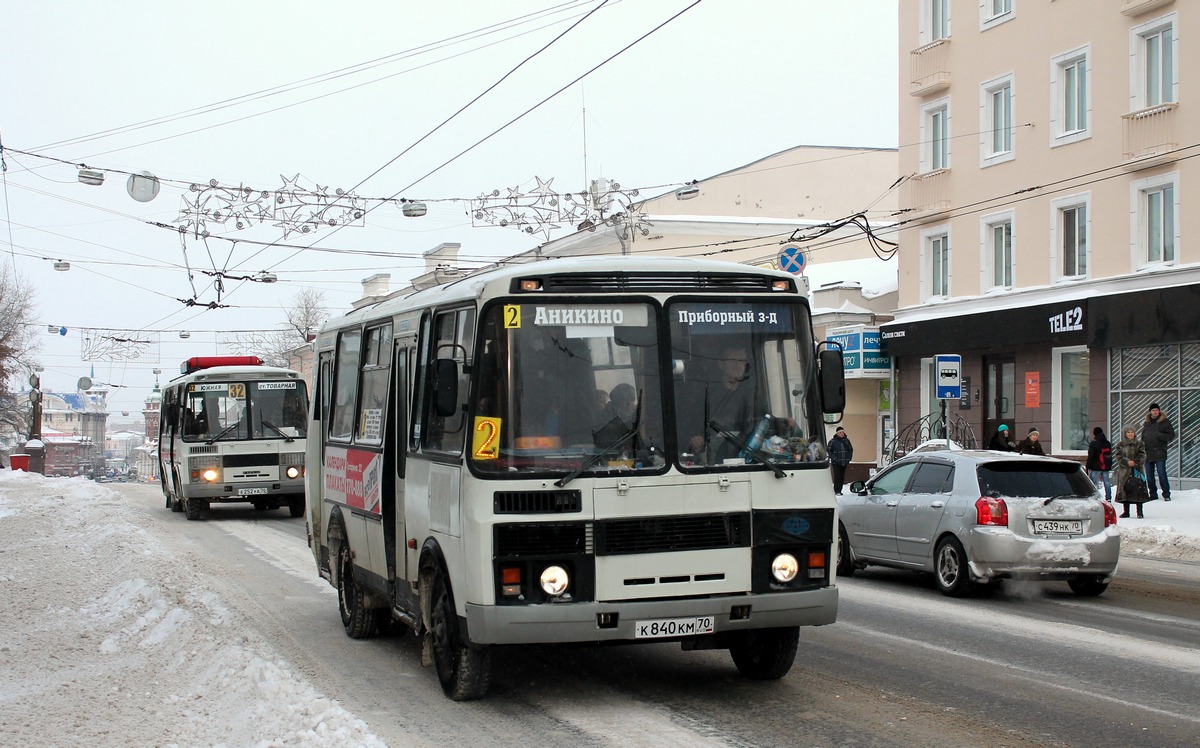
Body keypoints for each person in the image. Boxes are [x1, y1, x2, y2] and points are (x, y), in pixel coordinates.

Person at [1142, 403, 1175, 502]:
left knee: (1162, 474)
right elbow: (1143, 436)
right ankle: (1152, 494)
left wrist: (1159, 436)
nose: (1155, 412)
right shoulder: (1147, 423)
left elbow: (1171, 435)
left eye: (1157, 410)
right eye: (1153, 410)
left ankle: (1166, 494)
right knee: (1149, 476)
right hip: (1148, 452)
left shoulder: (1165, 422)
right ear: (1150, 412)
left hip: (1160, 452)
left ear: (1159, 411)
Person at [1114, 425, 1148, 519]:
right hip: (1125, 471)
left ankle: (1140, 512)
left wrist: (1136, 462)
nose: (1130, 434)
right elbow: (1118, 457)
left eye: (1132, 432)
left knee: (1138, 490)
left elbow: (1142, 455)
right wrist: (1127, 462)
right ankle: (1126, 511)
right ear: (1125, 434)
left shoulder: (1140, 444)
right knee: (1125, 489)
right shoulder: (1120, 445)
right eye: (1128, 432)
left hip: (1137, 470)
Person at [1085, 426, 1113, 502]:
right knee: (1107, 482)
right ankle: (1109, 497)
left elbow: (1091, 456)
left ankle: (1094, 496)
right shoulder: (1107, 443)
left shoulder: (1093, 443)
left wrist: (1088, 466)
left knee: (1094, 483)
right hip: (1106, 466)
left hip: (1096, 466)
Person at [827, 426, 853, 495]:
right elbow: (829, 451)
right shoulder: (832, 441)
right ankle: (837, 490)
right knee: (837, 476)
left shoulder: (847, 441)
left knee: (842, 477)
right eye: (840, 432)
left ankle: (840, 490)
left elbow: (850, 449)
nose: (842, 434)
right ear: (837, 433)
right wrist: (834, 458)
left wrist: (848, 458)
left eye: (843, 432)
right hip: (836, 463)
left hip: (844, 462)